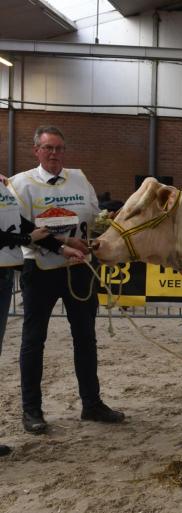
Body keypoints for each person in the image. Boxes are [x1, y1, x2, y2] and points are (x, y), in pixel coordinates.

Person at [8, 126, 125, 435]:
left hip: (79, 270)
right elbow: (20, 228)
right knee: (34, 341)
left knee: (86, 337)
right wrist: (60, 247)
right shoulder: (21, 184)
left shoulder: (79, 178)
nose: (54, 154)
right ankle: (32, 410)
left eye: (59, 148)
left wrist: (99, 233)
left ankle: (92, 403)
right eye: (48, 148)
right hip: (41, 270)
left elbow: (92, 215)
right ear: (36, 151)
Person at [0, 176, 53, 454]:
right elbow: (21, 233)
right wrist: (26, 240)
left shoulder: (2, 186)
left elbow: (19, 223)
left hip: (5, 272)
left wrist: (59, 245)